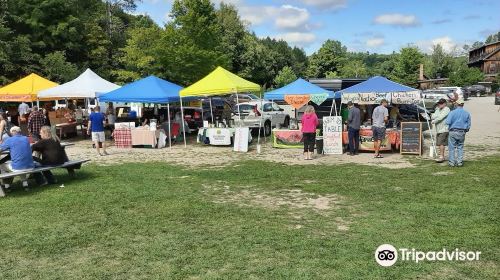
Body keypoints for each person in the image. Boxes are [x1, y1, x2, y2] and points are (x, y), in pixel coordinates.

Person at [445, 99, 471, 167]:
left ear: (456, 104)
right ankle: (459, 162)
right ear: (463, 104)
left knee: (452, 148)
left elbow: (447, 122)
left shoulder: (452, 112)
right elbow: (468, 125)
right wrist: (466, 130)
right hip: (462, 132)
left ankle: (452, 162)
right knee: (460, 147)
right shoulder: (467, 113)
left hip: (453, 131)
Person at [431, 99, 450, 163]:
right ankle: (441, 156)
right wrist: (435, 116)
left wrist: (434, 121)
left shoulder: (447, 109)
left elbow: (440, 118)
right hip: (438, 129)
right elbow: (433, 116)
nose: (439, 104)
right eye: (439, 103)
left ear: (445, 103)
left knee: (441, 143)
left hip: (444, 129)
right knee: (439, 143)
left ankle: (441, 157)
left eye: (441, 103)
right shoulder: (438, 109)